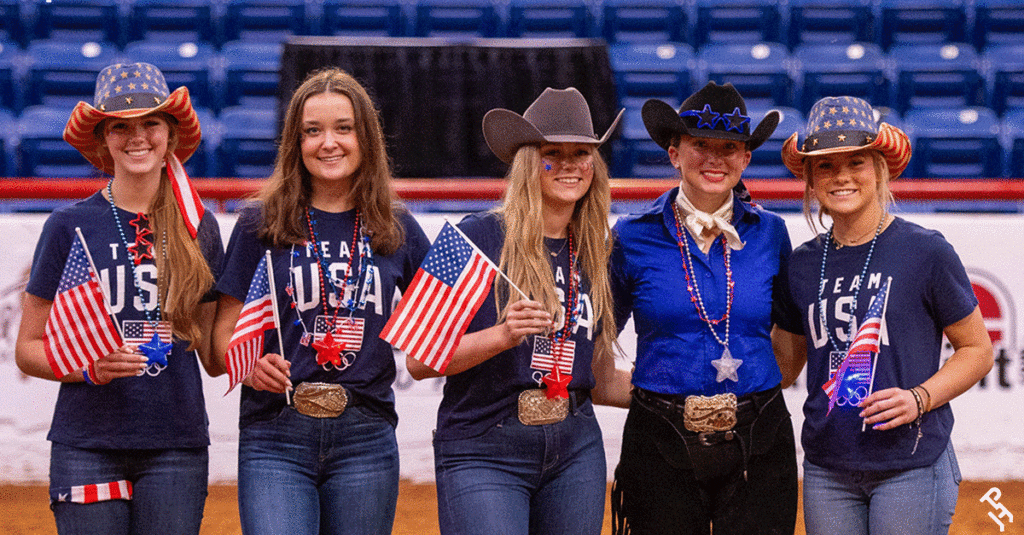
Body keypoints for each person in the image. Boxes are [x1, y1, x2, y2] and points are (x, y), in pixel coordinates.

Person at [211, 67, 430, 535]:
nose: (328, 143)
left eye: (343, 128)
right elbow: (219, 341)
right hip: (275, 434)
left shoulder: (398, 228)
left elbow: (446, 326)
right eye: (313, 131)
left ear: (365, 137)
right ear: (296, 142)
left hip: (366, 437)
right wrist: (247, 365)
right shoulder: (259, 224)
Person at [404, 87, 628, 535]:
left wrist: (681, 391)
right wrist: (502, 335)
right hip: (483, 448)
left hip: (575, 446)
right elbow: (419, 358)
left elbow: (599, 375)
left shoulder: (601, 252)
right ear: (530, 162)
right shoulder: (472, 236)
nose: (569, 164)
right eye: (553, 153)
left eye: (581, 152)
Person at [15, 62, 224, 534]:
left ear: (170, 134)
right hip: (86, 443)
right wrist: (85, 368)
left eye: (150, 122)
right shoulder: (67, 226)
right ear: (102, 140)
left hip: (176, 442)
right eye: (120, 126)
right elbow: (28, 348)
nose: (137, 137)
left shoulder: (199, 226)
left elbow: (214, 349)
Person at [776, 96, 993, 534]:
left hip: (910, 462)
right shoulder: (799, 264)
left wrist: (920, 398)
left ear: (880, 169)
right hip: (826, 465)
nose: (841, 176)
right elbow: (783, 367)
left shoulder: (925, 250)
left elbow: (977, 350)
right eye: (825, 165)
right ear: (811, 182)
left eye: (856, 161)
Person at [608, 81, 801, 535]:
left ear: (746, 158)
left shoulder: (771, 234)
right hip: (659, 439)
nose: (715, 159)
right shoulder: (632, 236)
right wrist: (656, 398)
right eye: (700, 145)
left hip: (760, 437)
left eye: (729, 147)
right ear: (674, 153)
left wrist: (754, 397)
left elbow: (791, 344)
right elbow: (598, 338)